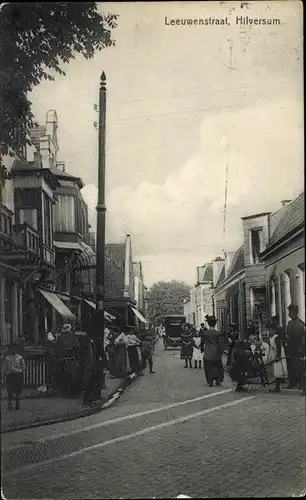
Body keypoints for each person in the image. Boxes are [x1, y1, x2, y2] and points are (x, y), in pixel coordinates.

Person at [285, 305, 305, 390]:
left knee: (299, 366)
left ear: (293, 312)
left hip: (297, 348)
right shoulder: (290, 323)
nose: (289, 314)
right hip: (290, 348)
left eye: (290, 312)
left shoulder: (300, 323)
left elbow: (301, 338)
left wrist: (302, 349)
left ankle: (301, 383)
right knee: (290, 366)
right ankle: (292, 382)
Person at [202, 316, 225, 387]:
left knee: (208, 367)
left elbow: (202, 343)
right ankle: (218, 380)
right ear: (215, 324)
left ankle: (210, 381)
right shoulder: (218, 333)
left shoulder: (205, 333)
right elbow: (221, 343)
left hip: (207, 353)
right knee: (218, 367)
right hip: (216, 352)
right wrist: (221, 351)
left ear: (208, 324)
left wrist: (202, 349)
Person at [266, 322, 288, 393]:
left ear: (274, 331)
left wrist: (278, 356)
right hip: (273, 354)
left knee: (277, 371)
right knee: (275, 371)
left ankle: (277, 387)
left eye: (271, 330)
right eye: (269, 330)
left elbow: (278, 347)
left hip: (277, 355)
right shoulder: (271, 338)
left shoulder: (276, 338)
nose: (269, 332)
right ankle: (276, 386)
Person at [3, 344, 26, 410]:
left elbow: (23, 367)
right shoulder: (7, 358)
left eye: (14, 349)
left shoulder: (20, 358)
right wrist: (7, 372)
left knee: (18, 390)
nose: (13, 350)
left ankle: (17, 403)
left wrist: (19, 370)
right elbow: (4, 369)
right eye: (11, 349)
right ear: (9, 350)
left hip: (18, 376)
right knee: (10, 390)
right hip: (10, 376)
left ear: (17, 350)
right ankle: (10, 403)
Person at [82, 333, 96, 406]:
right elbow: (88, 355)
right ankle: (86, 400)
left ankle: (88, 398)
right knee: (88, 382)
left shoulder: (90, 342)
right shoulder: (87, 343)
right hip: (88, 365)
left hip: (91, 364)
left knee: (91, 382)